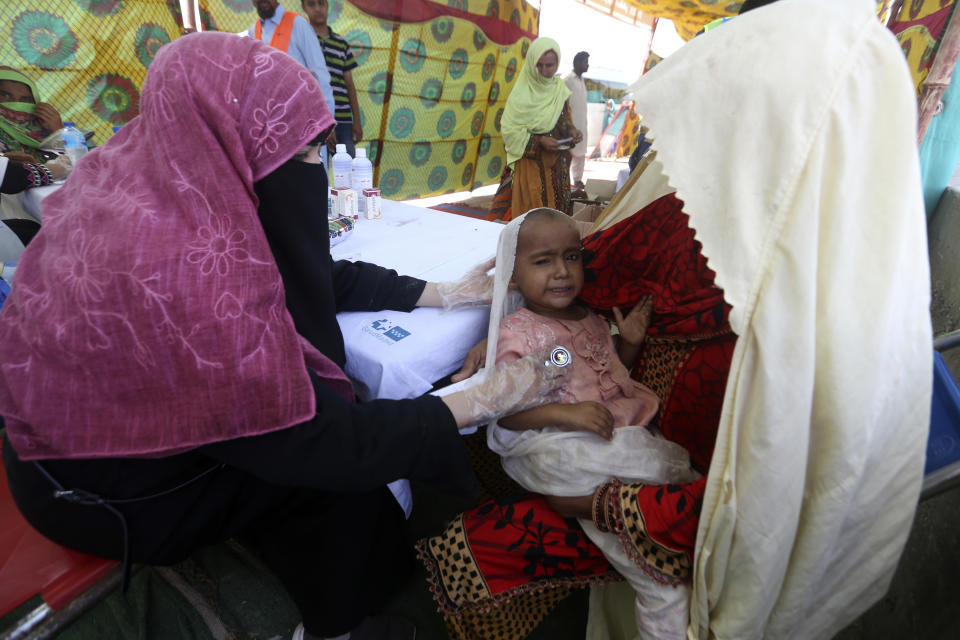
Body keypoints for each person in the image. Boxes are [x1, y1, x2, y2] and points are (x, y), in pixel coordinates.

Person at [0, 33, 567, 640]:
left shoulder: (137, 185)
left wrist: (439, 292)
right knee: (333, 465)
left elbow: (302, 267)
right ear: (226, 134)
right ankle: (331, 628)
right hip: (107, 496)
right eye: (298, 154)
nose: (312, 172)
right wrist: (487, 396)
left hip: (47, 453)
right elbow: (324, 440)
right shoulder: (180, 276)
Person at [419, 1, 932, 639]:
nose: (563, 274)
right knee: (615, 563)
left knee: (648, 563)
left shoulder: (829, 310)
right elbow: (558, 345)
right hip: (601, 446)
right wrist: (504, 350)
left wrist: (592, 379)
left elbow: (764, 494)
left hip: (662, 484)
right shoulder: (682, 210)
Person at [484, 208, 700, 637]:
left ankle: (651, 519)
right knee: (662, 580)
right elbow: (507, 414)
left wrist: (631, 347)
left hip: (611, 434)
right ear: (512, 276)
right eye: (543, 261)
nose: (562, 272)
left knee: (653, 466)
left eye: (572, 257)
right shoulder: (520, 333)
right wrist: (567, 413)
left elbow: (605, 377)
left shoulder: (593, 319)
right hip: (558, 442)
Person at [489, 38, 583, 221]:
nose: (544, 70)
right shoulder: (521, 92)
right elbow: (509, 130)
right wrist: (539, 140)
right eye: (539, 65)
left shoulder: (559, 90)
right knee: (529, 215)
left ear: (557, 63)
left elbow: (562, 120)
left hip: (556, 165)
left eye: (550, 65)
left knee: (556, 214)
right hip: (529, 165)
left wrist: (571, 130)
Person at [248, 0, 335, 137]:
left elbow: (319, 73)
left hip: (306, 123)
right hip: (270, 126)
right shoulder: (253, 31)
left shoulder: (297, 23)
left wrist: (327, 120)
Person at [302, 0, 362, 158]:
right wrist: (324, 122)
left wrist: (357, 121)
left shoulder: (341, 43)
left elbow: (349, 85)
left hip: (343, 119)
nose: (317, 9)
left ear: (328, 6)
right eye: (311, 4)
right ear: (304, 7)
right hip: (315, 120)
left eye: (321, 4)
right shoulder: (302, 42)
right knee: (318, 169)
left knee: (349, 168)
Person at [0, 67, 63, 164]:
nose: (17, 104)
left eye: (24, 100)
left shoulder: (45, 129)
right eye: (6, 96)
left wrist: (59, 132)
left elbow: (78, 164)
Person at [564, 51, 589, 190]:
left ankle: (578, 180)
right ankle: (565, 181)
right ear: (578, 63)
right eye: (585, 62)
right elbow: (563, 105)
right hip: (570, 126)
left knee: (581, 153)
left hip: (582, 124)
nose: (587, 65)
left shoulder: (581, 80)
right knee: (568, 155)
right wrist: (568, 126)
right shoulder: (567, 80)